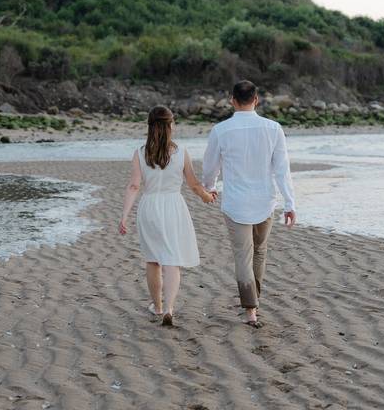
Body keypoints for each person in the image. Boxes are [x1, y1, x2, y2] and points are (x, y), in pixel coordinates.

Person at [202, 80, 296, 328]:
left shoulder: (221, 130)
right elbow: (282, 169)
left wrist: (209, 187)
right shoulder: (273, 128)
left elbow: (210, 166)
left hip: (235, 203)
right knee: (260, 252)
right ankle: (254, 302)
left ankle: (250, 309)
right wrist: (289, 203)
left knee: (243, 255)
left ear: (232, 99)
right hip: (265, 201)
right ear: (256, 100)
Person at [119, 105, 216, 326]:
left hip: (150, 206)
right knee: (172, 260)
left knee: (153, 260)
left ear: (149, 126)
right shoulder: (181, 152)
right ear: (171, 125)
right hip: (174, 206)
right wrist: (207, 197)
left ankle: (158, 306)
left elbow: (134, 186)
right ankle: (169, 308)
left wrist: (124, 216)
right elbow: (193, 184)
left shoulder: (140, 152)